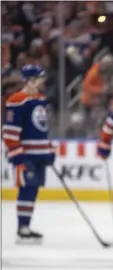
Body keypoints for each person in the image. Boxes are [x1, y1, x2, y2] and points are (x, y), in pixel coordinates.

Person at [2, 64, 55, 244]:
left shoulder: (40, 100)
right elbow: (10, 133)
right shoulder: (17, 100)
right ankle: (22, 227)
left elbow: (43, 130)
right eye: (40, 78)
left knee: (32, 190)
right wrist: (17, 155)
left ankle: (26, 226)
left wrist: (48, 151)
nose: (43, 82)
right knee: (26, 189)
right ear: (31, 80)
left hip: (39, 156)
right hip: (26, 156)